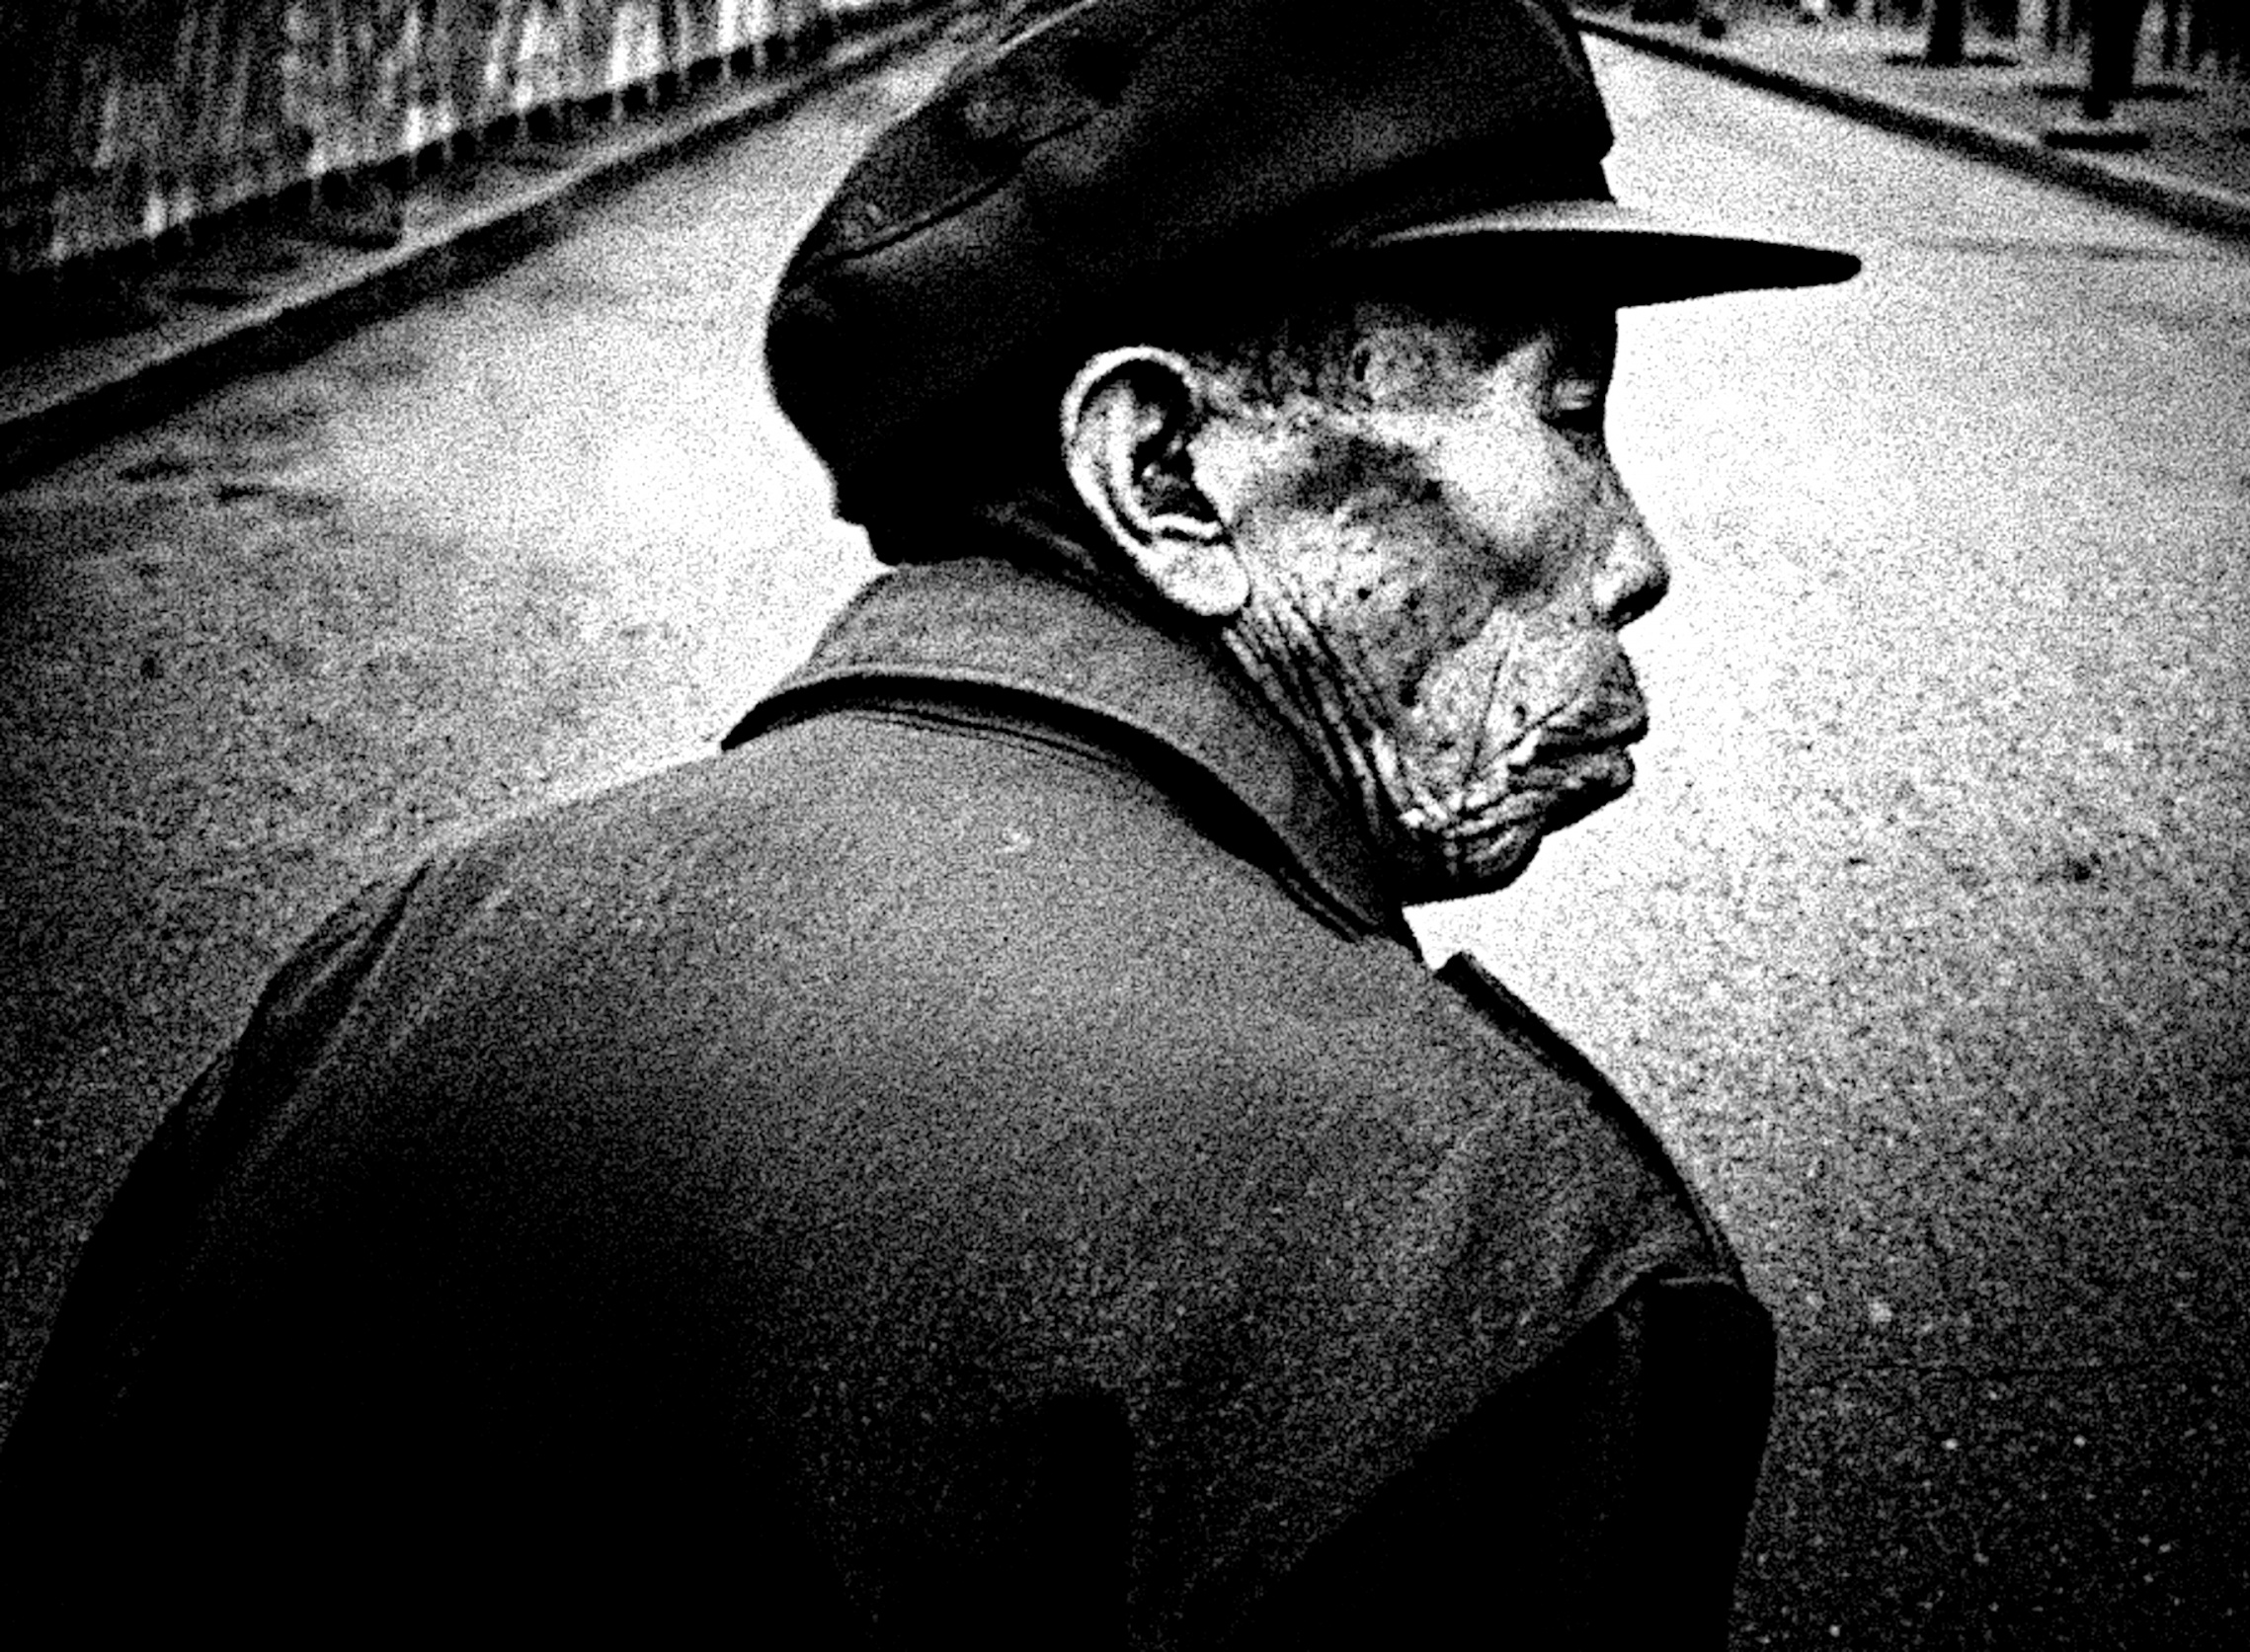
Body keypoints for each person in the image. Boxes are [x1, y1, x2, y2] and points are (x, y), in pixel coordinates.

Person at [0, 0, 1856, 1639]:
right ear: (1162, 473)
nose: (1636, 553)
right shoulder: (1481, 1269)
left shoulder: (389, 967)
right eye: (1568, 411)